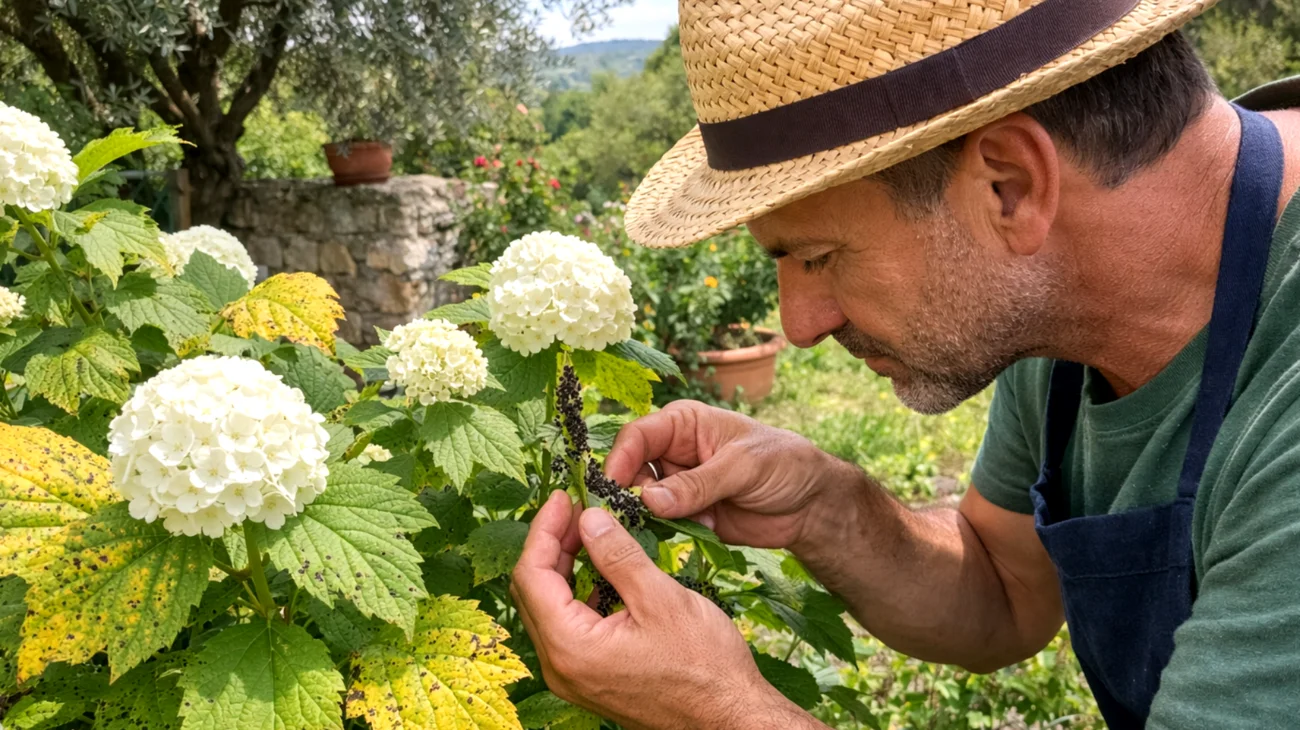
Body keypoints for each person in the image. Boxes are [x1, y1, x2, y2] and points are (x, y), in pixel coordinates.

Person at [512, 1, 1300, 727]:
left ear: (1010, 185)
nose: (800, 326)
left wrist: (719, 711)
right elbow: (1007, 587)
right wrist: (825, 506)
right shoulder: (1065, 287)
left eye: (818, 256)